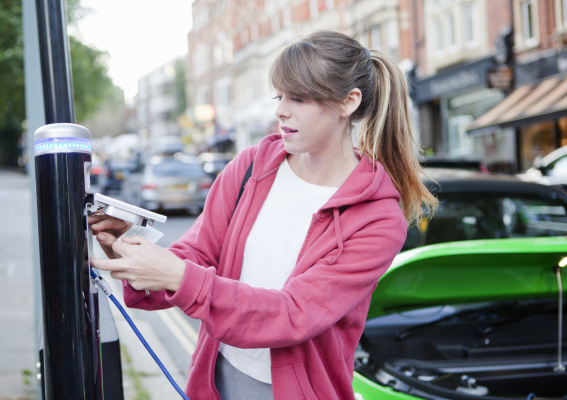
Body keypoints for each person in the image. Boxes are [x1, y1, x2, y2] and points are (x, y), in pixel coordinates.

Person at [90, 30, 437, 400]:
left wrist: (178, 274)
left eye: (298, 98)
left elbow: (293, 314)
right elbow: (197, 255)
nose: (280, 110)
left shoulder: (377, 219)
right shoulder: (251, 167)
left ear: (348, 102)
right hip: (216, 381)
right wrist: (131, 250)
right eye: (279, 96)